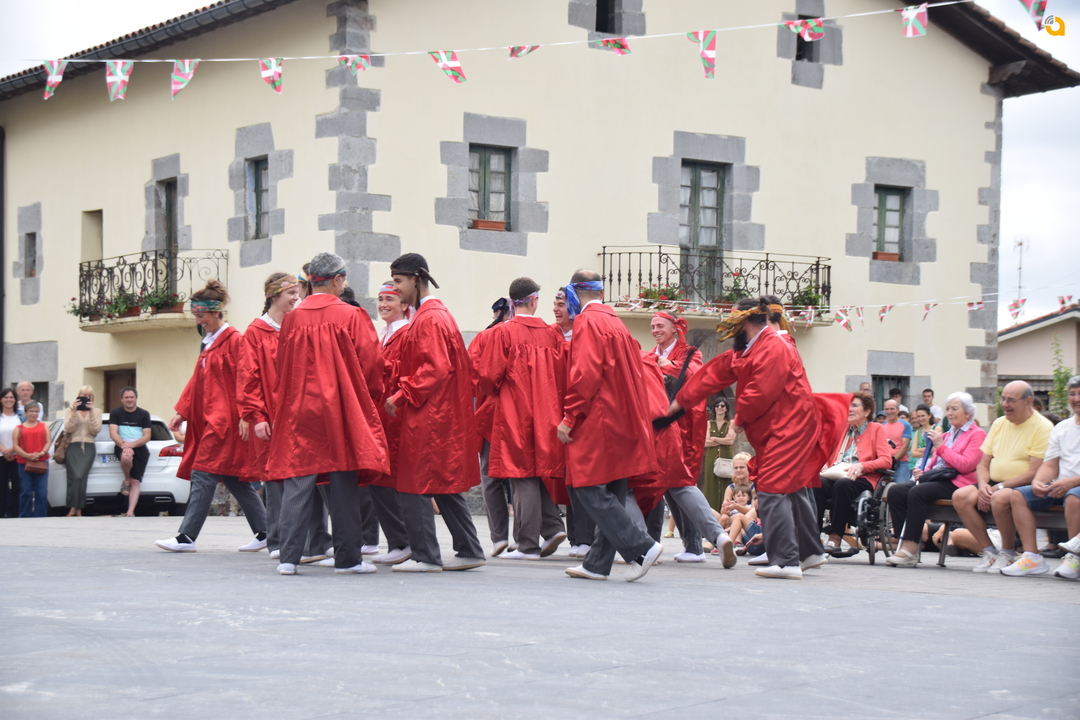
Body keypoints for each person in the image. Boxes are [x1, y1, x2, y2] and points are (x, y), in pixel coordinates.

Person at [667, 297, 849, 580]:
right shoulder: (751, 349)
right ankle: (810, 551)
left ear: (744, 324)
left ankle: (786, 561)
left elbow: (761, 389)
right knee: (793, 489)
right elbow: (715, 373)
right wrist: (682, 400)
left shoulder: (775, 346)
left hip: (791, 428)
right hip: (781, 429)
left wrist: (739, 419)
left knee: (771, 488)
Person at [267, 252, 388, 575]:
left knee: (298, 478)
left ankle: (289, 558)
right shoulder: (351, 315)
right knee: (342, 478)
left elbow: (282, 366)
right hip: (340, 407)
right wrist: (370, 397)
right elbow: (371, 364)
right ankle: (348, 558)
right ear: (336, 279)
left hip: (300, 408)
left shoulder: (292, 319)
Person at [557, 270, 664, 582]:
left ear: (574, 292)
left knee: (586, 485)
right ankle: (597, 564)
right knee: (614, 488)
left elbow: (585, 373)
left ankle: (642, 546)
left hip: (600, 416)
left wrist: (569, 417)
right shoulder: (615, 321)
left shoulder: (588, 322)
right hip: (624, 415)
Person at [386, 252, 486, 572]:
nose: (395, 288)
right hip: (442, 412)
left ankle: (425, 556)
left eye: (399, 281)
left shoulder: (429, 318)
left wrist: (401, 394)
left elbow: (435, 368)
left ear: (416, 279)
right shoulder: (437, 315)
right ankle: (470, 550)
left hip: (430, 413)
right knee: (443, 485)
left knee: (414, 483)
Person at [156, 280, 268, 553]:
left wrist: (246, 414)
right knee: (233, 478)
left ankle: (186, 537)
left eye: (201, 315)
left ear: (216, 312)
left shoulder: (235, 341)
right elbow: (198, 381)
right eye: (196, 315)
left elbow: (246, 380)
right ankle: (266, 531)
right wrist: (182, 411)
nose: (198, 321)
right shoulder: (209, 344)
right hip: (211, 420)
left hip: (226, 422)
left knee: (203, 472)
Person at [477, 277, 568, 560]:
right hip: (547, 410)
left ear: (512, 302)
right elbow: (562, 373)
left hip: (514, 411)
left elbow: (488, 377)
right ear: (534, 300)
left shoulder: (503, 333)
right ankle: (552, 527)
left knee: (521, 474)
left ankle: (527, 544)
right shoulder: (552, 334)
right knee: (534, 471)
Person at [952, 381, 1053, 573]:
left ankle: (1007, 552)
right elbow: (983, 463)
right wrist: (983, 485)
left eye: (1011, 400)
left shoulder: (1043, 427)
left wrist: (998, 487)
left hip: (1022, 486)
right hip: (994, 483)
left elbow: (1034, 471)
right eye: (1003, 399)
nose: (1005, 404)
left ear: (1028, 401)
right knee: (960, 496)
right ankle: (989, 552)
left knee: (998, 497)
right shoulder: (999, 423)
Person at [237, 272, 300, 560]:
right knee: (274, 479)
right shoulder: (256, 332)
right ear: (275, 295)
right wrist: (257, 415)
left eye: (297, 292)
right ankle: (276, 540)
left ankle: (301, 539)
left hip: (295, 415)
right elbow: (247, 377)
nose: (296, 298)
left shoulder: (295, 326)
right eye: (291, 293)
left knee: (299, 477)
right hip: (271, 416)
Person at [885, 393, 987, 567]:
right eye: (947, 409)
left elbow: (965, 465)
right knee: (896, 491)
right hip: (938, 479)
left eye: (954, 409)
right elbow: (934, 463)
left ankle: (910, 547)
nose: (949, 413)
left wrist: (940, 445)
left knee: (918, 492)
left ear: (968, 412)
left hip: (958, 482)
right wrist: (923, 471)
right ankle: (904, 542)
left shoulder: (977, 434)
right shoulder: (948, 434)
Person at [999, 376, 1080, 578]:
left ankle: (1074, 558)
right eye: (1072, 394)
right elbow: (1050, 464)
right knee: (1018, 495)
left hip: (1074, 489)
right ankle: (1031, 557)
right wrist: (1037, 481)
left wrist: (1072, 482)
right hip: (1060, 486)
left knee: (1073, 497)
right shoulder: (1062, 428)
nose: (1076, 398)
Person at [367, 281, 415, 567]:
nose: (383, 305)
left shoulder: (406, 334)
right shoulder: (385, 334)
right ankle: (398, 540)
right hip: (382, 415)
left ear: (404, 305)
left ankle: (403, 541)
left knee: (388, 479)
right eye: (380, 299)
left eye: (389, 300)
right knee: (380, 478)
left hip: (396, 414)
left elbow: (406, 372)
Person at [814, 392, 893, 555]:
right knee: (817, 484)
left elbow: (886, 460)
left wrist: (862, 466)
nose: (849, 409)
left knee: (843, 485)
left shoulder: (876, 429)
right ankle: (813, 538)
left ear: (867, 411)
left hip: (864, 477)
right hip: (838, 473)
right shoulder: (843, 429)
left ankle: (835, 537)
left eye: (854, 406)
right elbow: (830, 455)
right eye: (848, 406)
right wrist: (825, 465)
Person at [472, 298, 515, 557]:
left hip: (492, 414)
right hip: (520, 416)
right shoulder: (534, 334)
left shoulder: (485, 337)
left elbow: (475, 376)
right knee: (522, 476)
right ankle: (523, 538)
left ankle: (499, 537)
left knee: (490, 476)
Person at [109, 387, 152, 517]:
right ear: (121, 399)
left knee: (136, 481)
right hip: (122, 445)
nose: (129, 400)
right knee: (126, 456)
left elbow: (147, 436)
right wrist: (124, 445)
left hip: (139, 447)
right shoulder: (115, 413)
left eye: (132, 397)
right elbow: (113, 433)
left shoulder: (144, 414)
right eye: (126, 397)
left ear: (136, 398)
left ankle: (130, 512)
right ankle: (126, 479)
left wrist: (132, 445)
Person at [63, 386, 103, 517]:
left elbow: (95, 430)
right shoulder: (70, 410)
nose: (86, 398)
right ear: (78, 396)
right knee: (74, 477)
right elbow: (69, 428)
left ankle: (78, 508)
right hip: (73, 446)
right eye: (84, 395)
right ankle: (73, 508)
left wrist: (90, 413)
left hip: (89, 445)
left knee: (81, 476)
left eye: (89, 395)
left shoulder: (96, 411)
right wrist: (74, 412)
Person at [13, 402, 49, 517]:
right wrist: (27, 455)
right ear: (25, 413)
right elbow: (15, 445)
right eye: (31, 411)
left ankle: (40, 516)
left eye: (36, 411)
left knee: (41, 491)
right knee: (26, 491)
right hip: (24, 462)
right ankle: (24, 516)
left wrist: (41, 453)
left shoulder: (44, 426)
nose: (34, 414)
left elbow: (48, 441)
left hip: (41, 461)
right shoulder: (19, 428)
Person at [701, 396, 736, 512]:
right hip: (712, 457)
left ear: (726, 408)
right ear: (714, 408)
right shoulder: (709, 423)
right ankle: (712, 513)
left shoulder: (730, 423)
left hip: (726, 456)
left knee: (727, 482)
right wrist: (723, 440)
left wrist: (714, 438)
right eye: (717, 405)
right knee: (711, 484)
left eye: (722, 405)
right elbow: (705, 442)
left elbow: (730, 441)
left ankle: (726, 511)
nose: (719, 408)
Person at [0, 388, 22, 517]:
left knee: (17, 486)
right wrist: (4, 450)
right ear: (1, 400)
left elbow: (24, 436)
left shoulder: (20, 416)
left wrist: (13, 449)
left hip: (17, 455)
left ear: (15, 400)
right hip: (1, 455)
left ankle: (15, 513)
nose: (9, 400)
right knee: (1, 486)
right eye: (6, 397)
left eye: (11, 397)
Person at [882, 399, 913, 483]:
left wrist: (893, 460)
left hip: (901, 463)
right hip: (885, 464)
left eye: (892, 409)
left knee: (901, 488)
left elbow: (905, 446)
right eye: (887, 409)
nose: (889, 411)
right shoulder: (882, 426)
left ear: (898, 410)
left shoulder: (905, 425)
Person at [908, 404, 933, 473]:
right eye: (918, 416)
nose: (920, 419)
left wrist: (918, 450)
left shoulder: (936, 428)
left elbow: (935, 449)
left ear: (929, 415)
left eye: (923, 416)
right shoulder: (918, 432)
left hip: (933, 463)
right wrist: (929, 453)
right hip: (920, 463)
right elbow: (913, 453)